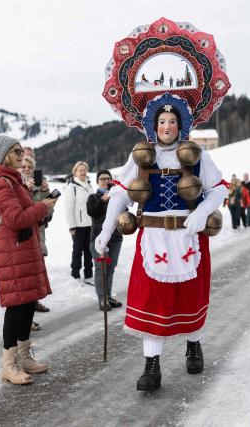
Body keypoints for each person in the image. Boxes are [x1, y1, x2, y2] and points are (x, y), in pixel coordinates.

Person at [95, 103, 228, 391]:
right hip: (153, 237)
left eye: (172, 121)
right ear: (153, 126)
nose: (167, 126)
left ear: (180, 125)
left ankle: (194, 345)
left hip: (188, 236)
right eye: (162, 121)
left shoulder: (196, 154)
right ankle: (151, 367)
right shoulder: (141, 156)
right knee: (152, 301)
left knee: (190, 298)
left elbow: (219, 188)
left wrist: (202, 212)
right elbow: (119, 192)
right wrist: (106, 231)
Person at [0, 130, 58, 385]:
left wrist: (43, 207)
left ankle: (23, 358)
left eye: (21, 150)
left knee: (26, 304)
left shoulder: (13, 180)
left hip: (23, 249)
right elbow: (15, 219)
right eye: (16, 151)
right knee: (16, 307)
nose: (21, 154)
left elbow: (26, 214)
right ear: (2, 155)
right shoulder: (0, 183)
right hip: (12, 251)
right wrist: (41, 207)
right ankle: (8, 365)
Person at [87, 170, 123, 311]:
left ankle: (108, 296)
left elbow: (124, 213)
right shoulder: (93, 197)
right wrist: (102, 201)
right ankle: (102, 299)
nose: (105, 181)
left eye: (108, 178)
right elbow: (92, 212)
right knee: (101, 269)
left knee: (110, 268)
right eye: (102, 178)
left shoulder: (117, 197)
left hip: (115, 239)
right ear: (97, 181)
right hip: (98, 240)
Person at [21, 155, 52, 314]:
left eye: (29, 167)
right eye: (24, 166)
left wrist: (46, 193)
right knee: (25, 274)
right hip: (24, 235)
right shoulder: (16, 185)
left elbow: (48, 212)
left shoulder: (39, 186)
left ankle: (34, 302)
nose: (26, 169)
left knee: (36, 271)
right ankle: (27, 312)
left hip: (39, 233)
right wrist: (26, 189)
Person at [63, 161, 94, 285]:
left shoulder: (89, 185)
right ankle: (75, 274)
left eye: (84, 170)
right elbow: (68, 208)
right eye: (80, 170)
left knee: (89, 250)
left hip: (90, 224)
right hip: (78, 225)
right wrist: (71, 226)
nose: (83, 172)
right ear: (75, 172)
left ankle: (88, 275)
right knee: (77, 250)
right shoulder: (72, 187)